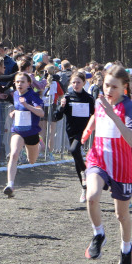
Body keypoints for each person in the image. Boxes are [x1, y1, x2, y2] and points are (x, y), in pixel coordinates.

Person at [81, 66, 132, 264]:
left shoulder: (130, 109)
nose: (108, 90)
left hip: (121, 166)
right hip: (98, 158)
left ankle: (126, 249)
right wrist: (88, 129)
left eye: (114, 87)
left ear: (125, 87)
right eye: (106, 85)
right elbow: (97, 115)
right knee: (91, 196)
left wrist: (113, 115)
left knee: (121, 215)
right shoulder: (101, 102)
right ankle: (98, 234)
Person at [54, 71, 95, 201]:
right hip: (71, 131)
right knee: (77, 159)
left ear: (84, 83)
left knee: (73, 150)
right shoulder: (67, 97)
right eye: (73, 82)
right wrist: (61, 107)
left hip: (83, 131)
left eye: (78, 82)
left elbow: (94, 115)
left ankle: (86, 173)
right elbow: (57, 116)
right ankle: (84, 189)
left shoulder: (89, 98)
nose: (76, 85)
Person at [3, 73, 45, 197]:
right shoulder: (15, 94)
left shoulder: (33, 96)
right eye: (17, 82)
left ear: (28, 83)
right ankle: (10, 184)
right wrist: (15, 112)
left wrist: (27, 105)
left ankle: (38, 146)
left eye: (22, 82)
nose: (19, 84)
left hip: (32, 132)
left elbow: (41, 113)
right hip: (18, 130)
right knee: (14, 154)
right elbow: (19, 108)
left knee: (31, 161)